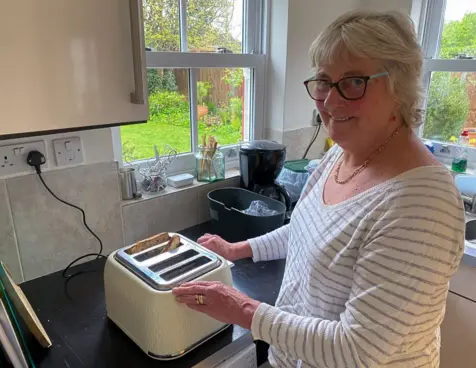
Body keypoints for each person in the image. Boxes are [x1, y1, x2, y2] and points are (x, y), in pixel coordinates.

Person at [173, 10, 465, 367]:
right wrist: (237, 249)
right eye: (324, 81)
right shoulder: (342, 154)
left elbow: (358, 351)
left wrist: (243, 309)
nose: (329, 101)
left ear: (399, 86)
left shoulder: (422, 205)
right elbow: (308, 229)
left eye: (355, 81)